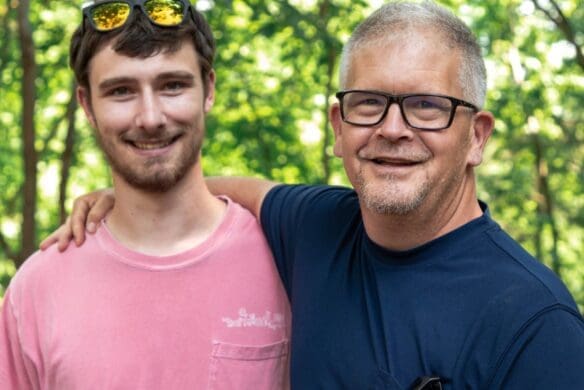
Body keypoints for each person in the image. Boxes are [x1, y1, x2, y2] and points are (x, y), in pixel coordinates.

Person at [41, 1, 584, 389]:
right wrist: (126, 195)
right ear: (337, 127)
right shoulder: (317, 227)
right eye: (368, 103)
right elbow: (247, 191)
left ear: (477, 136)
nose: (392, 129)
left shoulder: (536, 324)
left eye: (426, 105)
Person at [0, 1, 290, 389]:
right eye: (121, 91)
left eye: (172, 85)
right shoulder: (38, 289)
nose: (151, 117)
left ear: (209, 89)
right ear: (87, 105)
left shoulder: (289, 259)